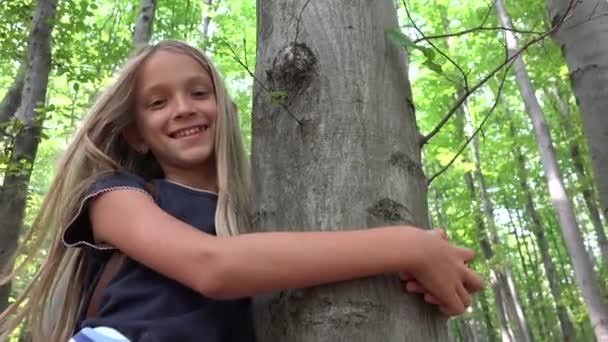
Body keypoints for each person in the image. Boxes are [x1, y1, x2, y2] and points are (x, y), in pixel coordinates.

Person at [0, 40, 484, 342]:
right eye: (158, 102)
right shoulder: (116, 197)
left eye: (199, 92)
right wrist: (404, 245)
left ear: (223, 108)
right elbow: (213, 268)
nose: (184, 108)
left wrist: (431, 280)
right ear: (136, 134)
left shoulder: (259, 214)